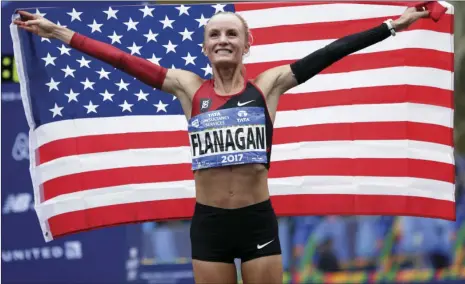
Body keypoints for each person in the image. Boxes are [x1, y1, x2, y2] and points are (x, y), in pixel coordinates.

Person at [14, 5, 430, 283]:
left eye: (232, 34)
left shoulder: (269, 86)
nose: (223, 40)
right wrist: (58, 32)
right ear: (205, 48)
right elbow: (123, 60)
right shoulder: (187, 87)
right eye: (215, 35)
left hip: (256, 222)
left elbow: (331, 52)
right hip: (209, 225)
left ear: (248, 45)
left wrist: (393, 25)